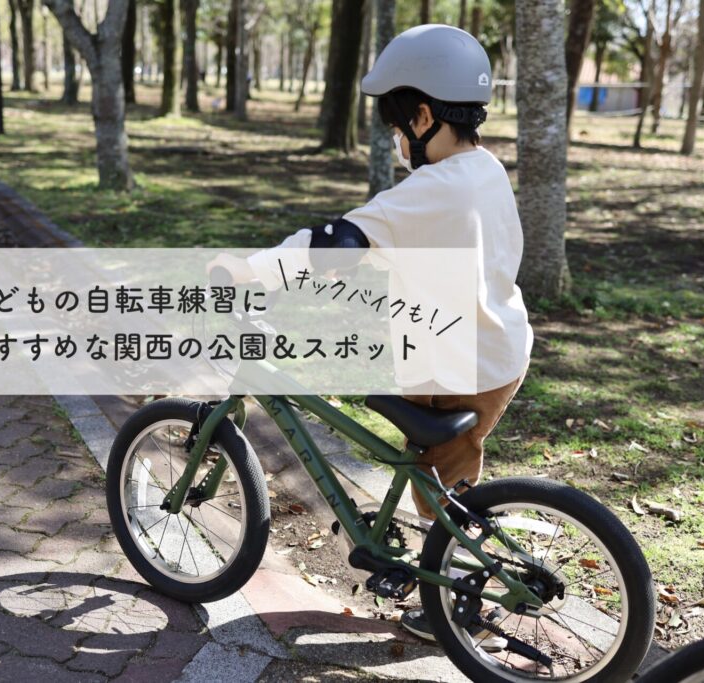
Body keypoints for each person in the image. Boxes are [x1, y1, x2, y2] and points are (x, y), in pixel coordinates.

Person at [206, 24, 532, 649]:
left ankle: (456, 607)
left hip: (453, 362)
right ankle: (451, 569)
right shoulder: (485, 169)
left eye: (396, 124)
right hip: (500, 351)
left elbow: (336, 244)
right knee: (449, 476)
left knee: (437, 488)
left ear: (425, 114)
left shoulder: (432, 188)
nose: (396, 139)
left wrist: (249, 270)